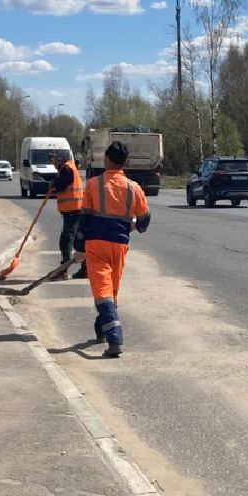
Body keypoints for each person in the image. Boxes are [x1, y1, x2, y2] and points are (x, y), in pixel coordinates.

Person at [75, 141, 151, 358]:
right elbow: (145, 219)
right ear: (124, 162)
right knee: (110, 292)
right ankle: (101, 329)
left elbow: (84, 220)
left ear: (107, 159)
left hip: (96, 246)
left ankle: (115, 338)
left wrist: (79, 248)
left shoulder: (92, 185)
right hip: (119, 246)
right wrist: (136, 226)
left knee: (102, 293)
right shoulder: (133, 188)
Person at [51, 148, 83, 278]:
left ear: (61, 158)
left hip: (73, 210)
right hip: (75, 209)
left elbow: (60, 186)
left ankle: (63, 270)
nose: (53, 161)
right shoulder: (68, 168)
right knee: (77, 240)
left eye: (54, 158)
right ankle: (85, 268)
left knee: (66, 240)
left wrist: (53, 184)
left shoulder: (66, 169)